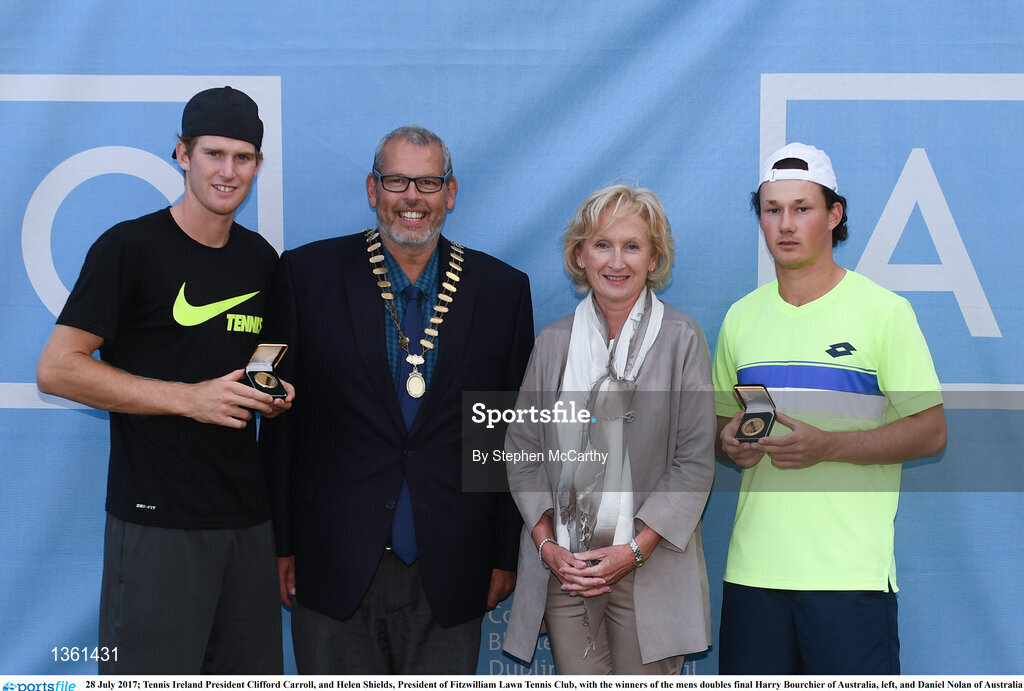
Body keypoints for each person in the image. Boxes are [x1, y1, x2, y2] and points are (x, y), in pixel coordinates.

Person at [258, 125, 534, 674]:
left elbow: (508, 438)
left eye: (428, 182)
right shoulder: (306, 276)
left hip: (453, 569)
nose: (412, 196)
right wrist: (280, 544)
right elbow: (280, 426)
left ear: (450, 194)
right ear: (372, 189)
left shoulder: (502, 290)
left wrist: (506, 555)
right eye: (397, 180)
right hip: (332, 560)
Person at [35, 86, 293, 674]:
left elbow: (267, 364)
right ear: (182, 154)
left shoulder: (262, 260)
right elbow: (57, 368)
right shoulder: (130, 247)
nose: (228, 172)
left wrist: (272, 395)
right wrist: (188, 400)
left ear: (258, 164)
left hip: (246, 524)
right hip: (156, 520)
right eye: (213, 154)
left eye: (243, 157)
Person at [713, 142, 947, 674]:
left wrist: (829, 447)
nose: (786, 224)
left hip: (849, 579)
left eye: (803, 208)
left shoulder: (885, 313)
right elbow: (720, 423)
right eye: (773, 210)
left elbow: (931, 432)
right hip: (754, 577)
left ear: (834, 214)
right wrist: (728, 442)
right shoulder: (740, 319)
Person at [502, 184, 716, 674]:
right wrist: (548, 547)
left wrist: (632, 552)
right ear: (579, 255)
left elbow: (695, 462)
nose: (616, 261)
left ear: (654, 257)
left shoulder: (683, 339)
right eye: (602, 244)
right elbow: (522, 451)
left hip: (652, 568)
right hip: (568, 573)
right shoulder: (553, 343)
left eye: (632, 246)